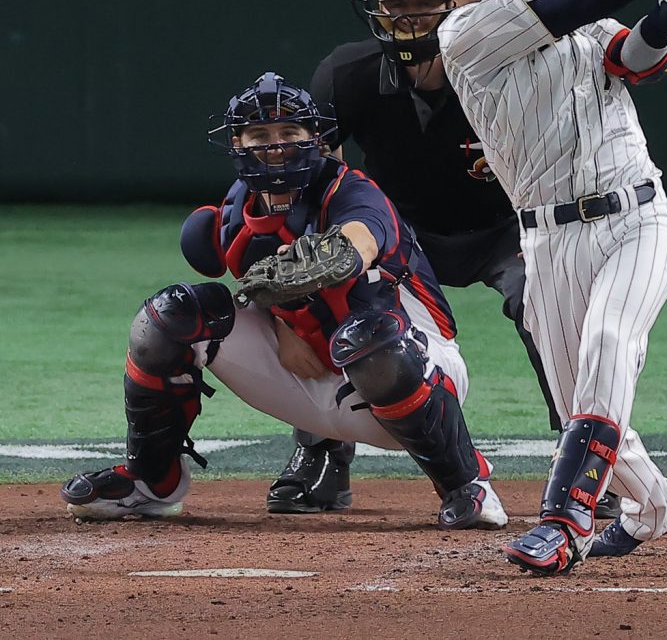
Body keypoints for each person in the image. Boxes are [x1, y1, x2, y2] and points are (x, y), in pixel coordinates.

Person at [416, 0, 667, 574]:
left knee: (609, 344)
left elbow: (635, 57)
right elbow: (568, 7)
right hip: (548, 244)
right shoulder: (465, 33)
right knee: (577, 408)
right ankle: (655, 506)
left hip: (636, 219)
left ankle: (563, 523)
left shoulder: (583, 18)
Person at [60, 71, 508, 532]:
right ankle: (151, 481)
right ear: (238, 142)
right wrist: (282, 325)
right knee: (170, 315)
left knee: (367, 338)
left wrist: (334, 255)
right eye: (260, 135)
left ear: (315, 139)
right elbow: (255, 290)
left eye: (289, 134)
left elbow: (363, 239)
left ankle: (467, 485)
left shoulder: (351, 190)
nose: (275, 147)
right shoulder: (236, 213)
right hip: (311, 376)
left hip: (413, 371)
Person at [273, 0, 622, 519]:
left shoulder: (509, 61)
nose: (407, 13)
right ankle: (322, 454)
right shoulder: (350, 73)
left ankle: (584, 459)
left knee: (548, 304)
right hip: (400, 234)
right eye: (393, 0)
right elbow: (309, 191)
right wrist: (294, 311)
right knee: (333, 284)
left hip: (507, 225)